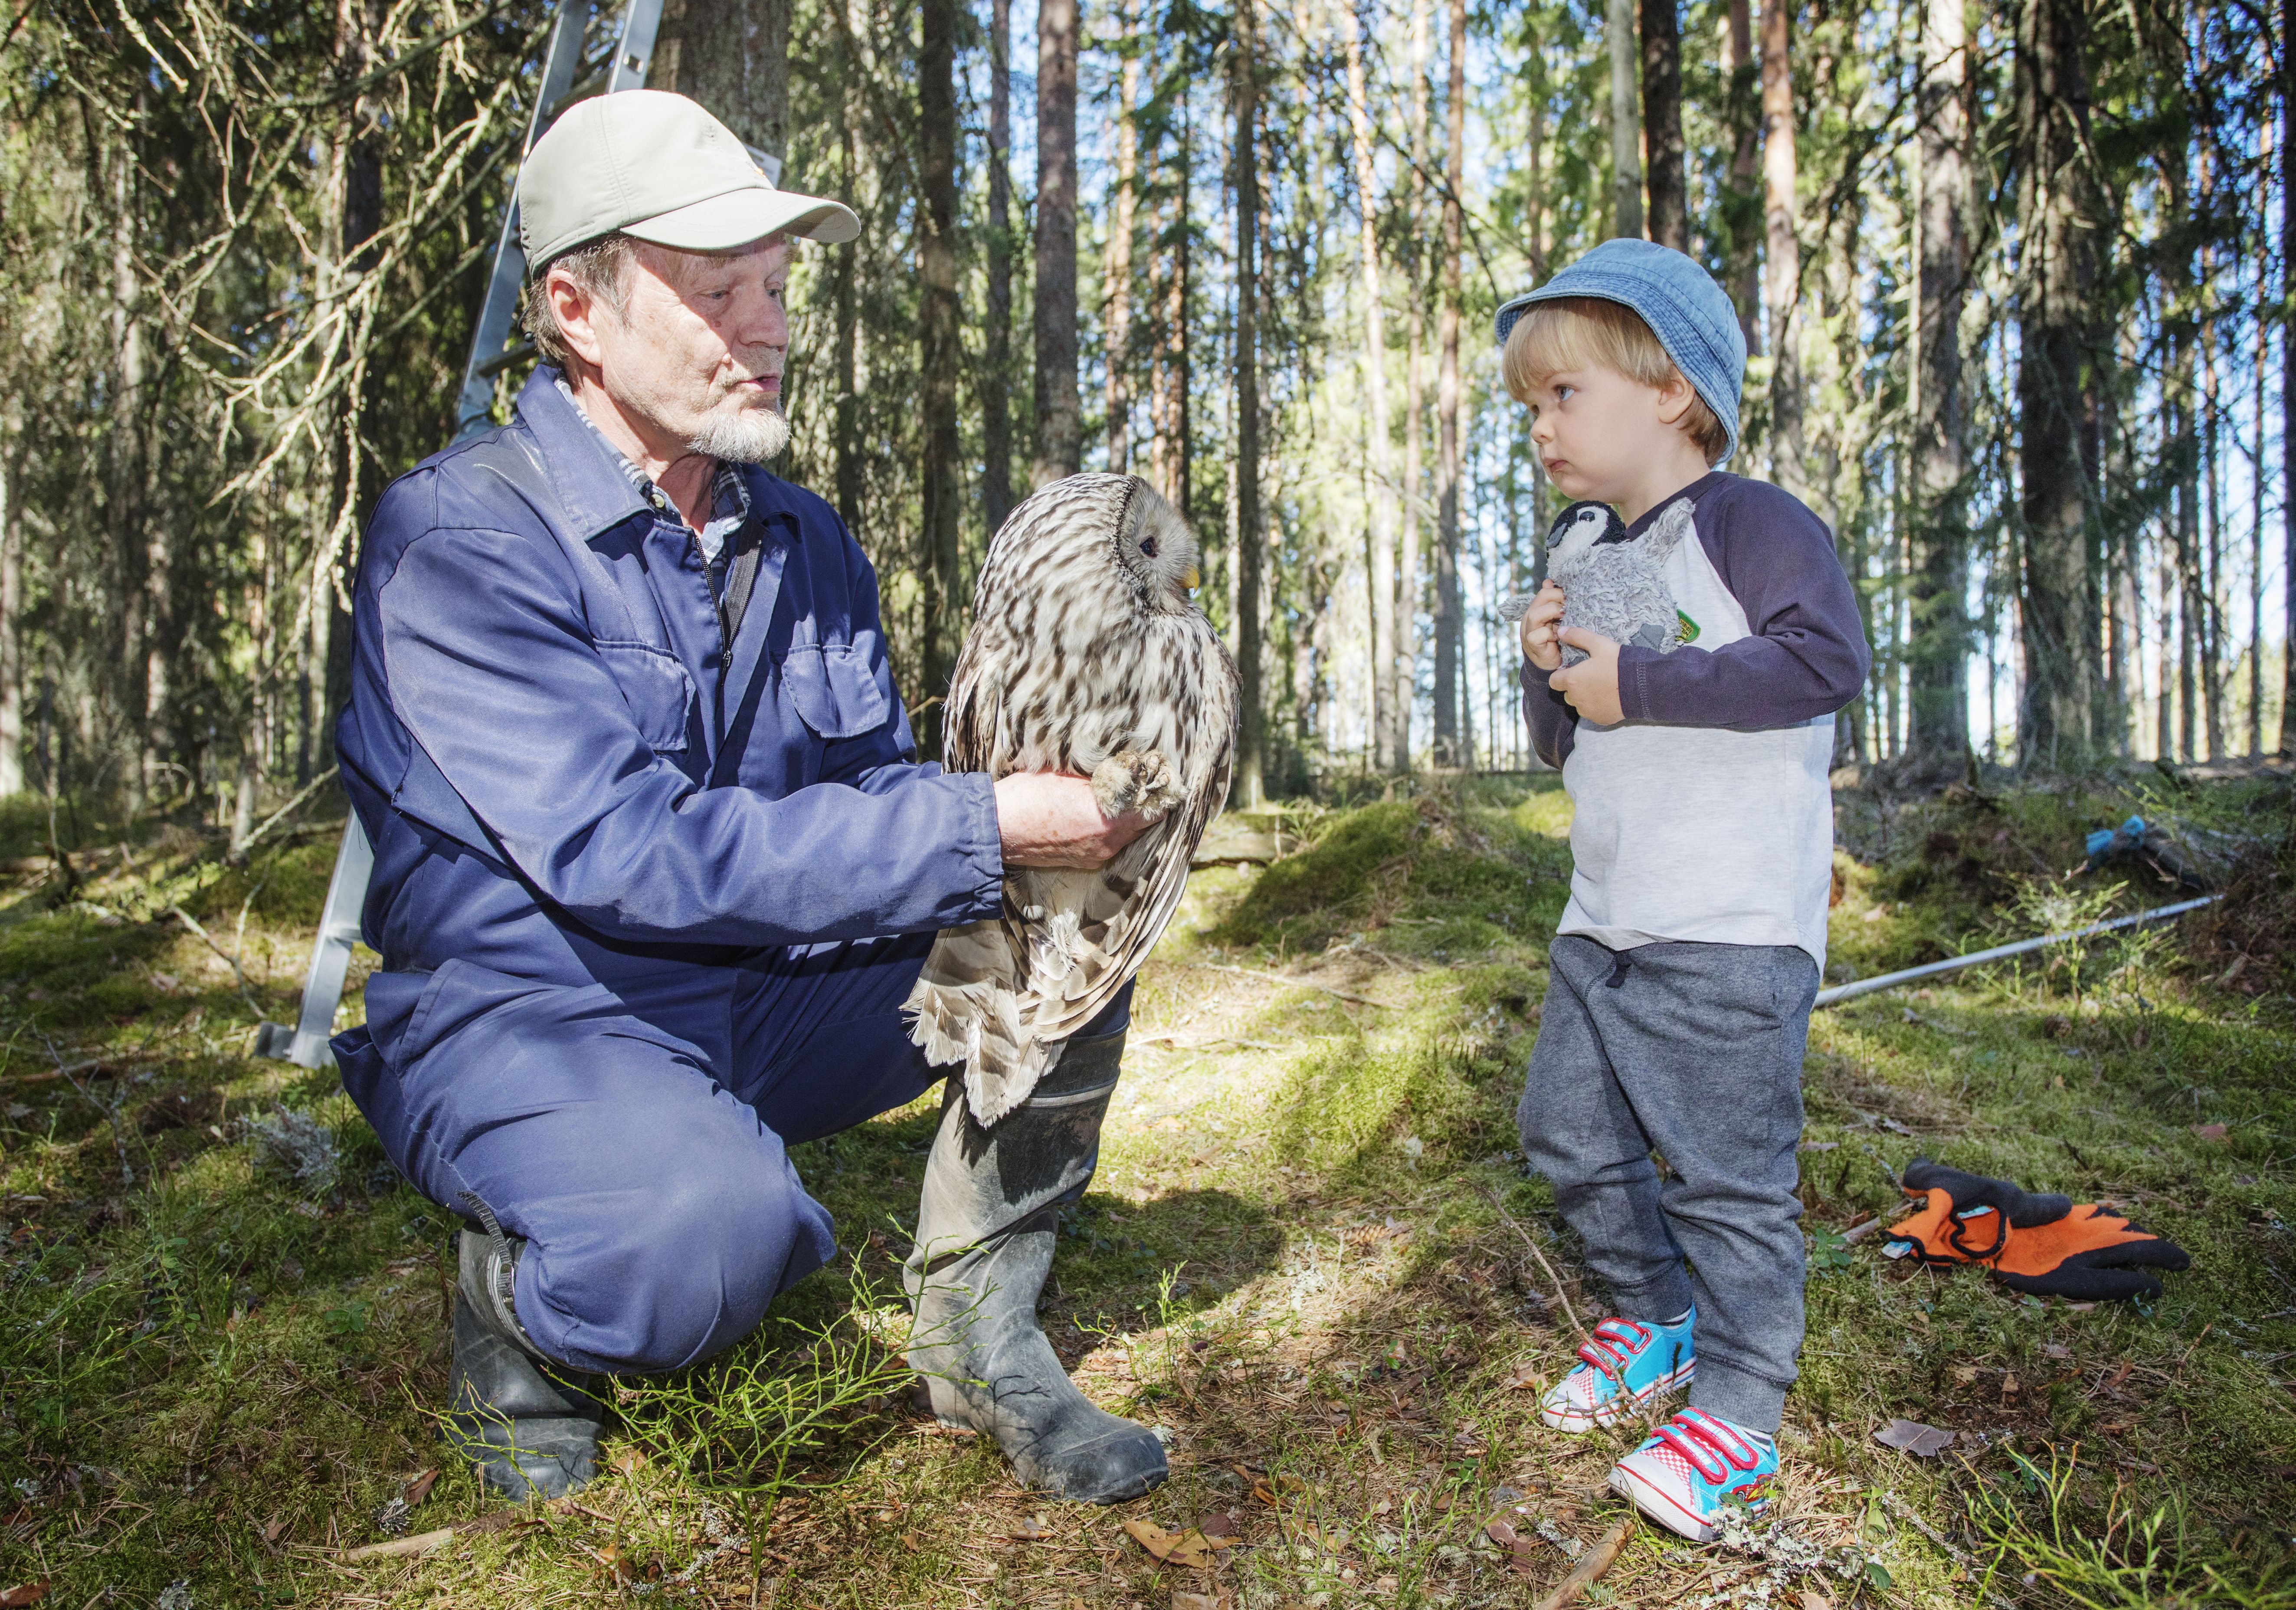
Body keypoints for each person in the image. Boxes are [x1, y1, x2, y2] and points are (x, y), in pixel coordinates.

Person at [331, 90, 1170, 1506]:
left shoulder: (799, 534)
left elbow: (863, 800)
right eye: (718, 289)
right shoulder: (458, 538)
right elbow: (623, 850)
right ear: (575, 310)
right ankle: (522, 1311)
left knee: (1058, 925)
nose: (770, 327)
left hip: (757, 997)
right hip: (529, 1016)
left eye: (777, 287)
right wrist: (983, 823)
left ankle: (980, 1329)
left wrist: (1043, 823)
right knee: (706, 1248)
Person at [1498, 239, 1870, 1541]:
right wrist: (1552, 675)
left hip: (1727, 926)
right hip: (1604, 914)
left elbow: (1822, 663)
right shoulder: (1593, 539)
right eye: (1529, 405)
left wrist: (1639, 682)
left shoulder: (1751, 522)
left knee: (1729, 1177)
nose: (1539, 424)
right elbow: (1589, 730)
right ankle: (1656, 1315)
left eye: (1563, 394)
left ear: (1671, 388)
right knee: (1567, 1132)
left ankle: (1742, 1408)